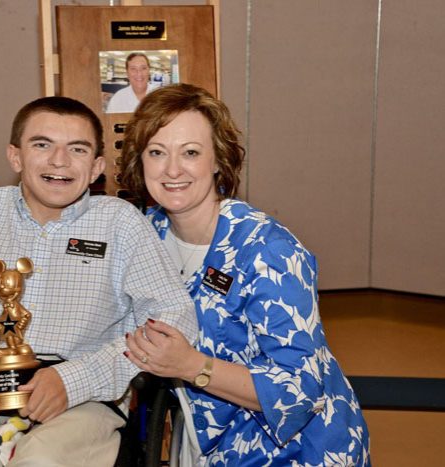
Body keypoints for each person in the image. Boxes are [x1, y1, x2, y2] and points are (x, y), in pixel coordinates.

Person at [0, 95, 197, 466]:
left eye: (77, 149)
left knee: (42, 459)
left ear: (96, 168)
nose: (59, 161)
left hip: (84, 400)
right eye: (42, 145)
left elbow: (174, 317)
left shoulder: (120, 224)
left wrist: (75, 380)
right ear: (15, 157)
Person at [119, 83, 371, 466]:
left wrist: (191, 366)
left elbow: (300, 391)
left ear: (218, 161)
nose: (172, 170)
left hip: (293, 450)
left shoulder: (268, 251)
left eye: (190, 153)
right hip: (203, 438)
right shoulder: (144, 233)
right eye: (157, 152)